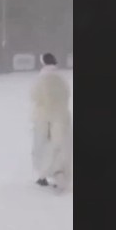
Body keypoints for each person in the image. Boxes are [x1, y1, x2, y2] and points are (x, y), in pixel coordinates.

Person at [31, 53, 73, 191]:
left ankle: (44, 175)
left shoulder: (42, 79)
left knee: (43, 146)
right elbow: (67, 94)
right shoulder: (61, 78)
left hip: (45, 118)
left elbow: (35, 96)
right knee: (60, 146)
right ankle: (60, 174)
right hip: (61, 118)